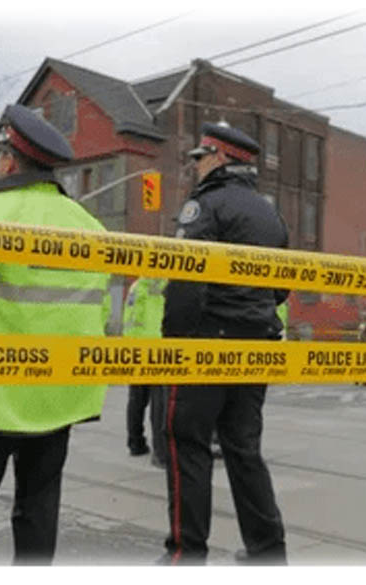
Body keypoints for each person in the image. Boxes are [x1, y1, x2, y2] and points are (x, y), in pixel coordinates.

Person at [0, 104, 111, 565]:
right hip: (58, 399)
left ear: (9, 161)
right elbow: (99, 310)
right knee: (38, 514)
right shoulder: (89, 226)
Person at [159, 121, 289, 565]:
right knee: (244, 449)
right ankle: (268, 552)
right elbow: (281, 288)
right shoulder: (270, 213)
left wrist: (175, 343)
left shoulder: (205, 205)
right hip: (258, 342)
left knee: (187, 444)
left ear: (218, 157)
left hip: (206, 342)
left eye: (200, 158)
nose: (196, 166)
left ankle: (186, 555)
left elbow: (185, 279)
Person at [122, 276, 168, 467]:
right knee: (159, 401)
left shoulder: (136, 285)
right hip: (157, 344)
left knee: (137, 398)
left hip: (136, 345)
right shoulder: (162, 282)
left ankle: (135, 442)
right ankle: (160, 453)